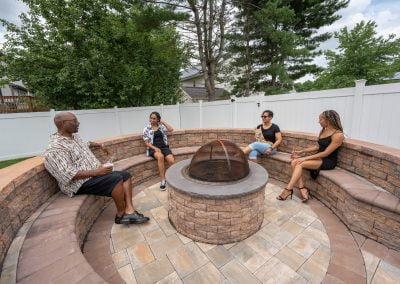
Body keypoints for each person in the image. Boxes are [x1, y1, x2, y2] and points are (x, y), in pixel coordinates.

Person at [44, 112, 149, 225]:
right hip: (79, 184)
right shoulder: (55, 148)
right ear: (63, 123)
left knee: (126, 175)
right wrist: (96, 172)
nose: (78, 123)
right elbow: (66, 174)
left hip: (93, 175)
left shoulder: (74, 137)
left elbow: (86, 144)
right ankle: (121, 215)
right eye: (74, 121)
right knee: (116, 178)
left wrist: (99, 145)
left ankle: (130, 210)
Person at [277, 110, 344, 203]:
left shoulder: (338, 135)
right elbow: (318, 147)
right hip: (319, 157)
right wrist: (302, 151)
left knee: (299, 163)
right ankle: (302, 188)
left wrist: (305, 158)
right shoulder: (323, 130)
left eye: (320, 119)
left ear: (327, 120)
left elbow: (326, 153)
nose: (319, 122)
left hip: (328, 160)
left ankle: (288, 189)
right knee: (294, 162)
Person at [143, 112, 175, 190]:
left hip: (164, 147)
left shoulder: (161, 127)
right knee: (160, 157)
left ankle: (175, 177)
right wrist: (155, 148)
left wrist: (163, 122)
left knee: (171, 161)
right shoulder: (146, 129)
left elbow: (171, 129)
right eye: (151, 118)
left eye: (154, 118)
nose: (152, 120)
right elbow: (146, 143)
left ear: (158, 119)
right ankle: (163, 180)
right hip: (153, 148)